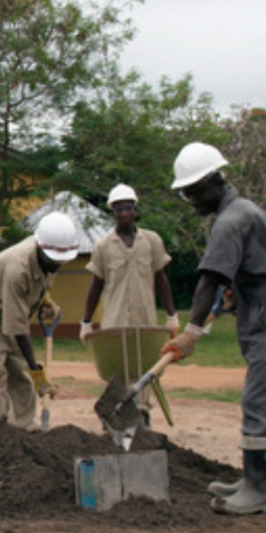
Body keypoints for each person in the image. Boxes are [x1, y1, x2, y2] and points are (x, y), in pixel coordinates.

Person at [162, 142, 266, 515]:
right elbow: (245, 273)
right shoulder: (241, 211)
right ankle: (252, 481)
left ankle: (258, 491)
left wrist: (191, 332)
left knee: (262, 399)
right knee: (263, 398)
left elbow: (209, 280)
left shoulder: (231, 221)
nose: (191, 201)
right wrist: (237, 295)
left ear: (216, 182)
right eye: (185, 194)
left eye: (195, 192)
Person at [0, 211, 77, 429]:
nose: (58, 264)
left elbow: (39, 283)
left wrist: (45, 299)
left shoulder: (49, 257)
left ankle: (27, 428)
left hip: (12, 310)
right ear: (40, 247)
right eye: (54, 260)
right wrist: (36, 371)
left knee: (19, 374)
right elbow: (17, 328)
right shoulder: (17, 268)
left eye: (62, 260)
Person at [80, 183, 179, 430]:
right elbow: (95, 287)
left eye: (128, 208)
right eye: (119, 209)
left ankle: (142, 420)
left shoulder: (152, 241)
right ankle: (114, 421)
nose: (124, 213)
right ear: (112, 212)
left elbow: (161, 279)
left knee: (145, 369)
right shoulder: (103, 247)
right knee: (117, 372)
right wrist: (86, 322)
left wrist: (171, 315)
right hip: (115, 321)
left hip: (145, 319)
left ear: (135, 210)